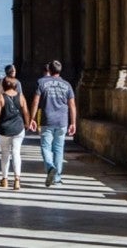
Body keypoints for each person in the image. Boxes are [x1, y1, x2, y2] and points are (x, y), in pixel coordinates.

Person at [28, 59, 76, 187]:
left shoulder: (42, 82)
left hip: (47, 120)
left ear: (49, 69)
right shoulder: (67, 85)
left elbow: (35, 102)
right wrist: (73, 123)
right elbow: (72, 105)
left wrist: (32, 118)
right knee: (59, 149)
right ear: (60, 71)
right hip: (62, 121)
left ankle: (50, 168)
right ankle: (57, 178)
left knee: (45, 147)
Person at [0, 75, 28, 189]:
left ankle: (5, 179)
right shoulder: (21, 96)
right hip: (18, 128)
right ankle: (17, 180)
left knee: (5, 153)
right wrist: (27, 123)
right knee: (16, 153)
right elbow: (26, 112)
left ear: (3, 86)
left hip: (4, 129)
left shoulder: (1, 97)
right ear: (15, 85)